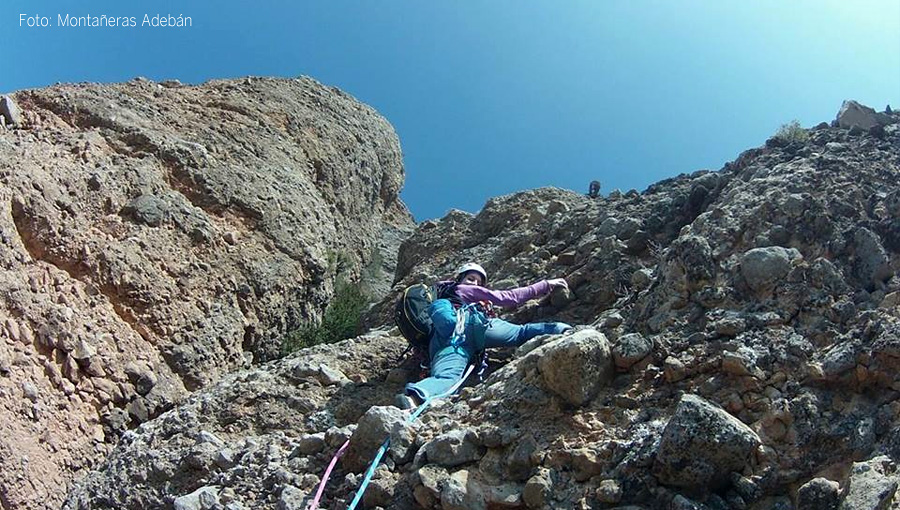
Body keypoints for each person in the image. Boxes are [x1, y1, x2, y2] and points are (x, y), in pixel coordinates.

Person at [395, 262, 571, 409]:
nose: (475, 284)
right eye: (471, 278)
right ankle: (562, 330)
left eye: (479, 282)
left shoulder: (439, 296)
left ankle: (416, 397)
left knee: (447, 377)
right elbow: (508, 297)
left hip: (445, 341)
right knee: (521, 333)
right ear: (460, 279)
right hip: (474, 324)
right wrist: (546, 285)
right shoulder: (463, 289)